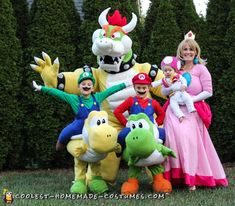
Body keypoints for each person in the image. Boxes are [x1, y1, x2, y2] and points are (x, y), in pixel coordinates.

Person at [163, 31, 228, 191]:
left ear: (196, 52)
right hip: (174, 108)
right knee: (170, 133)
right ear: (180, 52)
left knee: (187, 136)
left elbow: (208, 91)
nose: (188, 52)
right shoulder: (175, 70)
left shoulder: (201, 69)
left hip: (193, 108)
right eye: (185, 49)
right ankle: (174, 177)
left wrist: (189, 99)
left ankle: (192, 177)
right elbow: (165, 90)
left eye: (191, 49)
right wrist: (171, 88)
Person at [32, 71, 130, 151]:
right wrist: (41, 88)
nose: (86, 86)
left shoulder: (97, 97)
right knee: (64, 134)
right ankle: (59, 150)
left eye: (89, 84)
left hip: (95, 128)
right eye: (83, 84)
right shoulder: (74, 99)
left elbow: (111, 90)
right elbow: (58, 93)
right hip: (78, 126)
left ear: (92, 88)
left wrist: (126, 83)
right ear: (79, 87)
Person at [114, 72, 165, 150]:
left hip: (149, 128)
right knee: (122, 135)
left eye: (144, 88)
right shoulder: (130, 100)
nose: (141, 90)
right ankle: (122, 152)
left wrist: (156, 123)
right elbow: (117, 111)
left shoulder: (153, 102)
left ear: (148, 88)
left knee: (163, 133)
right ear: (134, 88)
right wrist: (126, 123)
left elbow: (162, 114)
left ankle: (159, 151)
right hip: (134, 128)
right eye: (138, 88)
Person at [152, 56, 196, 122]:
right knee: (173, 105)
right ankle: (180, 116)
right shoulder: (164, 79)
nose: (168, 72)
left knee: (187, 97)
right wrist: (152, 84)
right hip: (173, 95)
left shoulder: (177, 76)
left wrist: (184, 85)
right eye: (165, 70)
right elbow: (157, 82)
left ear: (174, 70)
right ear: (163, 72)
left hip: (181, 92)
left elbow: (183, 80)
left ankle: (191, 108)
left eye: (170, 70)